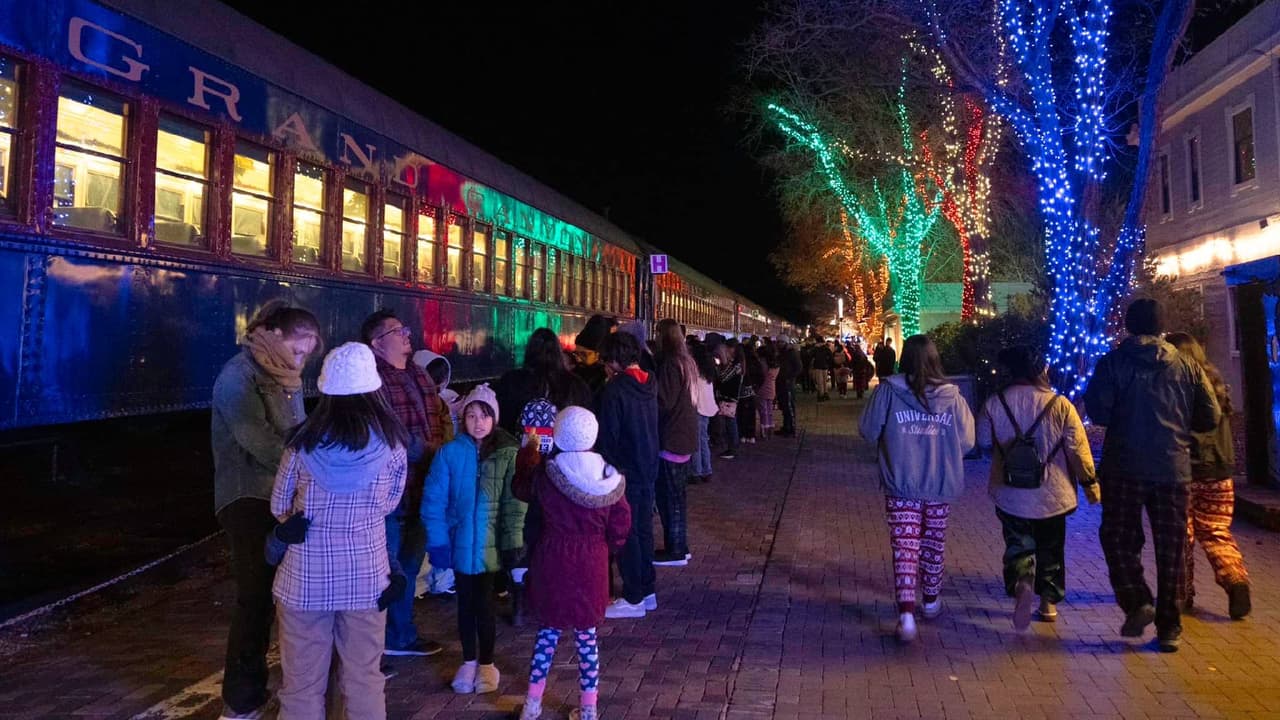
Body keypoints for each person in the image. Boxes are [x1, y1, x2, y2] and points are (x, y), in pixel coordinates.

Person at [268, 342, 408, 720]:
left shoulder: (301, 446)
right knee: (364, 679)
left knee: (300, 687)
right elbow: (388, 505)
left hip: (304, 582)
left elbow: (279, 507)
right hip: (366, 580)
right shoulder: (393, 447)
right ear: (372, 388)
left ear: (326, 390)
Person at [1084, 299, 1219, 652]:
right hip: (1172, 469)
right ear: (1161, 325)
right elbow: (1210, 415)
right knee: (1171, 547)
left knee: (1118, 538)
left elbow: (1098, 411)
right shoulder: (1186, 365)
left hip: (1124, 467)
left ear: (1129, 325)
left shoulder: (1112, 363)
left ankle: (1136, 598)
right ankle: (1170, 627)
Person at [211, 300, 321, 720]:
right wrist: (312, 467)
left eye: (307, 354)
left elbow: (295, 433)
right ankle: (240, 702)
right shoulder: (237, 377)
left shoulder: (283, 375)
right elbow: (257, 440)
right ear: (273, 334)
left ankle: (266, 691)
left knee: (278, 598)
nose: (300, 359)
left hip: (278, 495)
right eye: (297, 349)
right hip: (246, 499)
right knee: (255, 599)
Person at [512, 407, 632, 720]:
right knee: (587, 639)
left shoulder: (547, 475)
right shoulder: (609, 479)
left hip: (552, 559)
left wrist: (528, 454)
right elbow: (621, 524)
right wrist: (611, 548)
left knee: (547, 634)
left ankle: (531, 705)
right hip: (592, 564)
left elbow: (523, 492)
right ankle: (589, 709)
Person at [858, 334, 974, 643]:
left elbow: (868, 431)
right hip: (940, 483)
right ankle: (932, 600)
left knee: (905, 546)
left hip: (902, 482)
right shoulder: (954, 398)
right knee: (934, 541)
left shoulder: (888, 392)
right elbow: (968, 441)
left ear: (903, 358)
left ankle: (907, 613)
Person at [977, 345, 1099, 630]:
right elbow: (1078, 450)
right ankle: (1048, 604)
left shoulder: (995, 403)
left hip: (1009, 492)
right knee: (1051, 547)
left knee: (1018, 543)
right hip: (1053, 493)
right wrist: (1090, 484)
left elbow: (982, 441)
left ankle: (1022, 583)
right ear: (1040, 371)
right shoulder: (1060, 405)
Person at [361, 309, 452, 658]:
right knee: (385, 569)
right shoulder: (373, 382)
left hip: (422, 488)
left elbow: (439, 418)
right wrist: (431, 453)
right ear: (377, 342)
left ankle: (401, 635)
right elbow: (388, 434)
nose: (407, 336)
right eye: (398, 331)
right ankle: (371, 644)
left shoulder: (418, 374)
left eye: (405, 331)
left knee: (410, 565)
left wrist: (441, 453)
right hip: (389, 492)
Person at [1163, 332, 1251, 620]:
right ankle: (1236, 582)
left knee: (1180, 536)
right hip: (1220, 474)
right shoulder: (1218, 385)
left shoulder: (1176, 388)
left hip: (1185, 474)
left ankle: (1180, 594)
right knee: (1216, 531)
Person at [595, 332, 660, 618]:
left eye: (605, 361)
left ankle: (632, 597)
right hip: (648, 466)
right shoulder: (650, 382)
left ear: (614, 360)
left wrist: (606, 468)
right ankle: (647, 591)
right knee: (644, 530)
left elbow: (609, 436)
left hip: (624, 470)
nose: (605, 367)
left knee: (627, 534)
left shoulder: (615, 390)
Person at [652, 318, 698, 567]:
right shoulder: (687, 362)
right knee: (678, 497)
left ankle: (675, 550)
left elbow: (663, 402)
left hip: (671, 439)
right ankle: (681, 546)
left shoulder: (670, 365)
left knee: (669, 498)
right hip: (684, 438)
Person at [493, 328, 594, 438]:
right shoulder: (577, 385)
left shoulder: (510, 380)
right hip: (562, 450)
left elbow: (502, 421)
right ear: (558, 353)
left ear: (529, 351)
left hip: (520, 450)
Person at [689, 342, 719, 483]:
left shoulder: (694, 369)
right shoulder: (708, 369)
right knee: (703, 439)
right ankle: (706, 470)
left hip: (698, 407)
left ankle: (696, 471)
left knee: (696, 441)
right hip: (707, 407)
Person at [711, 338, 744, 459]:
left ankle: (732, 449)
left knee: (730, 422)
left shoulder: (735, 365)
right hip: (728, 396)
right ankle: (731, 447)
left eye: (727, 348)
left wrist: (721, 364)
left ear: (732, 349)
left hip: (729, 397)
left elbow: (723, 378)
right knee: (730, 421)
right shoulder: (735, 363)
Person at [573, 315, 617, 394]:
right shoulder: (576, 372)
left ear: (598, 354)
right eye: (576, 354)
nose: (578, 359)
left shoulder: (604, 376)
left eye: (584, 354)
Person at [776, 341, 801, 437]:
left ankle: (791, 428)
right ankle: (786, 426)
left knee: (789, 406)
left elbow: (798, 368)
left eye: (781, 342)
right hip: (781, 383)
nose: (779, 344)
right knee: (784, 406)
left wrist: (789, 377)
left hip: (788, 384)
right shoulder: (782, 354)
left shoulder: (791, 354)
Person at [757, 344, 779, 440]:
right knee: (769, 410)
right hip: (772, 387)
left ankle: (764, 430)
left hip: (762, 387)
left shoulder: (762, 363)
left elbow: (760, 375)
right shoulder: (775, 364)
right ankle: (770, 428)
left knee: (763, 410)